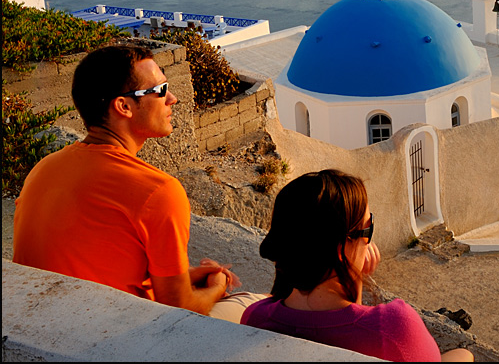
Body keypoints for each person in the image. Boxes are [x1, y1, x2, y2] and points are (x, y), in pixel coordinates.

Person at [13, 43, 240, 317]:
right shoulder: (158, 191)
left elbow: (90, 267)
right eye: (160, 91)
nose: (173, 99)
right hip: (103, 340)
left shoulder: (44, 168)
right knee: (250, 305)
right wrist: (217, 285)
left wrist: (186, 274)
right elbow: (179, 309)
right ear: (123, 106)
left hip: (37, 327)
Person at [242, 170, 474, 362]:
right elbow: (356, 323)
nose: (369, 241)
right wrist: (355, 281)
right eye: (367, 229)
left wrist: (348, 270)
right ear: (341, 249)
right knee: (462, 355)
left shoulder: (255, 318)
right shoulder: (394, 326)